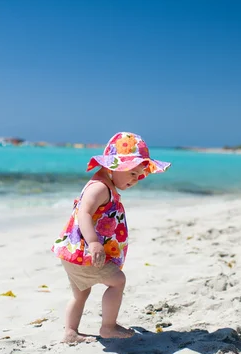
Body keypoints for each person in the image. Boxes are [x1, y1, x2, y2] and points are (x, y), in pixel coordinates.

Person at [51, 132, 171, 343]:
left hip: (73, 253)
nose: (136, 179)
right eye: (133, 173)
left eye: (139, 174)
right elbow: (84, 213)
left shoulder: (104, 184)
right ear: (113, 167)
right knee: (117, 281)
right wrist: (94, 242)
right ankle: (108, 327)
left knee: (80, 294)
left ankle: (70, 332)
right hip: (85, 253)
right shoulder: (99, 188)